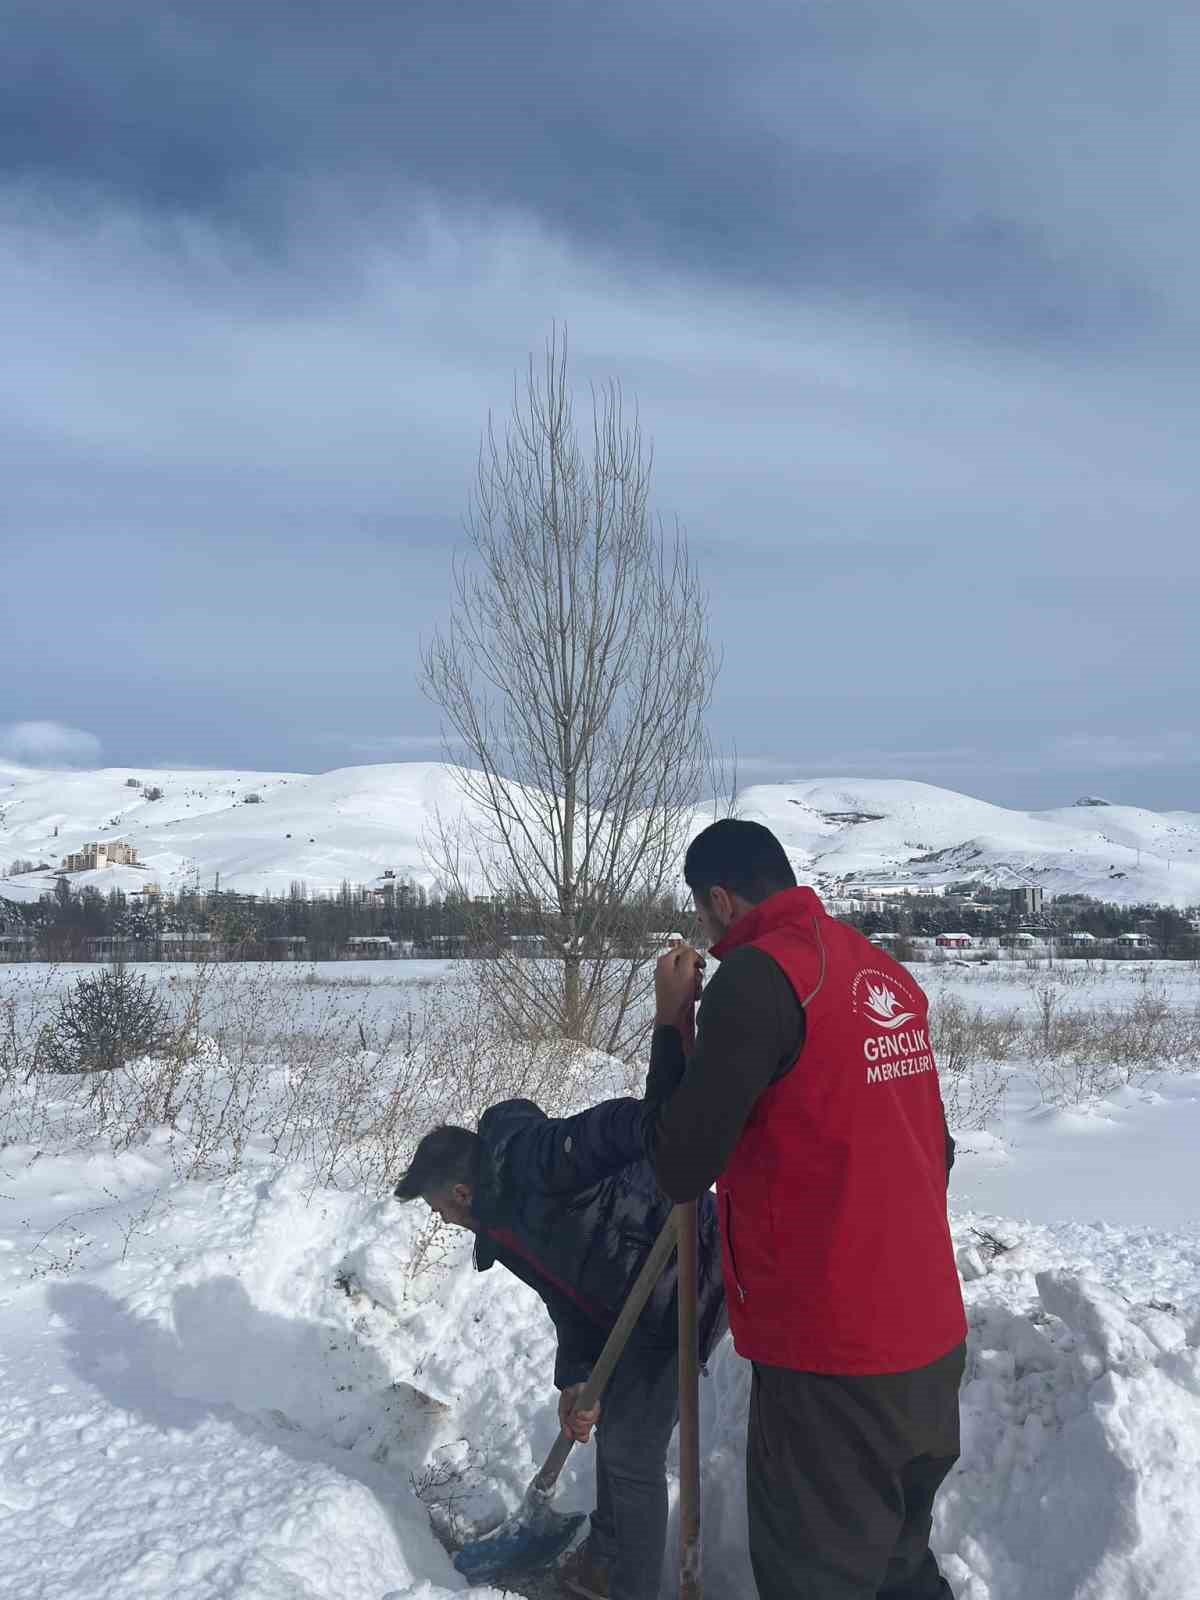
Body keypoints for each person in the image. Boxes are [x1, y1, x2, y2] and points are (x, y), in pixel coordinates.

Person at [644, 818, 967, 1600]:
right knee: (897, 1568)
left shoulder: (758, 978)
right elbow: (939, 1151)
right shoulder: (879, 971)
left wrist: (671, 1023)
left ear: (719, 899)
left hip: (834, 1363)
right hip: (929, 1345)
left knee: (813, 1579)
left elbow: (680, 1164)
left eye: (702, 912)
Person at [394, 1095, 725, 1600]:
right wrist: (575, 1375)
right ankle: (605, 1561)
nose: (440, 1219)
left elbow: (611, 1126)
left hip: (692, 1269)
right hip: (633, 1302)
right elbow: (566, 1298)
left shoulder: (532, 1160)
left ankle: (633, 1590)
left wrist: (673, 1128)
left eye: (437, 1209)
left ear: (460, 1192)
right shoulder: (503, 1228)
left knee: (632, 1450)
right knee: (613, 1424)